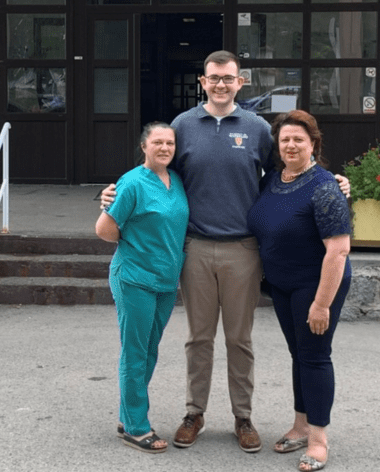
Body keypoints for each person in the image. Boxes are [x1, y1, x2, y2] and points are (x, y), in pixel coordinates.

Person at [100, 51, 350, 454]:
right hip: (195, 248)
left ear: (240, 81)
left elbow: (288, 169)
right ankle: (194, 412)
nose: (220, 84)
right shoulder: (182, 125)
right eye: (213, 78)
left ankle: (243, 417)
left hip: (243, 250)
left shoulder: (257, 128)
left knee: (240, 339)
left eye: (228, 78)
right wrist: (112, 194)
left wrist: (332, 182)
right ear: (203, 82)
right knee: (198, 338)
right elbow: (157, 168)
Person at [247, 110, 351, 471]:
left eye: (299, 140)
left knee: (315, 355)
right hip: (282, 284)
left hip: (316, 284)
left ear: (313, 144)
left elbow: (338, 249)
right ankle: (300, 424)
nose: (291, 145)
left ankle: (319, 440)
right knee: (299, 353)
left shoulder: (325, 187)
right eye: (285, 139)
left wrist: (322, 304)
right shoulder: (272, 180)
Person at [95, 122, 189, 454]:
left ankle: (127, 414)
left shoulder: (175, 180)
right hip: (135, 277)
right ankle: (135, 426)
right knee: (135, 352)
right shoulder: (132, 182)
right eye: (158, 142)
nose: (164, 148)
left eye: (170, 143)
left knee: (149, 350)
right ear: (144, 146)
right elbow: (104, 229)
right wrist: (136, 246)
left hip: (165, 280)